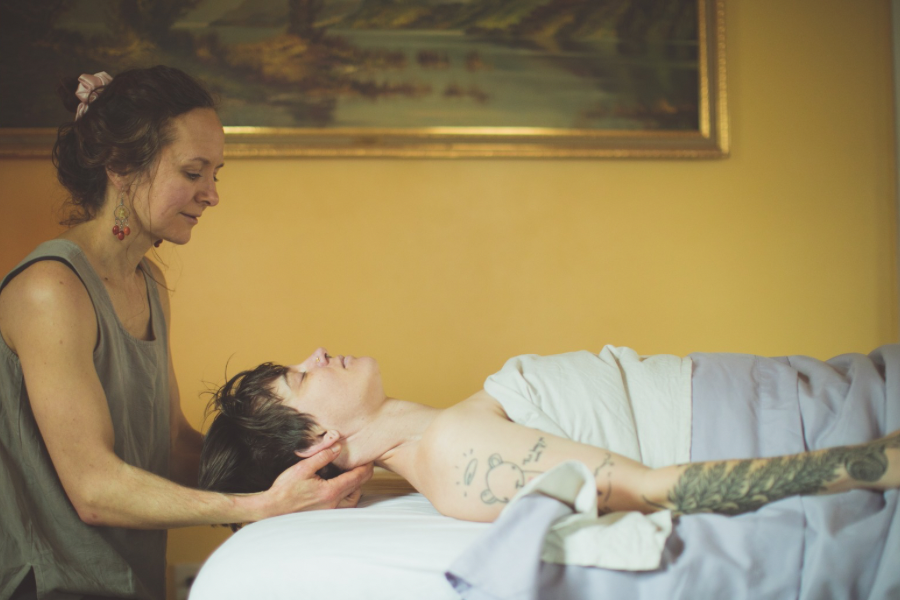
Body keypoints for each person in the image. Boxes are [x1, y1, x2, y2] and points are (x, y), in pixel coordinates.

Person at [0, 67, 371, 600]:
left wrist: (309, 475)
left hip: (130, 581)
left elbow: (172, 444)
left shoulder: (148, 280)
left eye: (216, 173)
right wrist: (258, 507)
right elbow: (94, 490)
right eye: (194, 172)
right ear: (120, 167)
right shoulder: (50, 290)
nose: (212, 194)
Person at [199, 346, 900, 526]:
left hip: (790, 397)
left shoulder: (448, 433)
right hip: (784, 427)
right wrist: (877, 464)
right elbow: (657, 490)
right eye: (301, 375)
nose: (319, 354)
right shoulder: (456, 455)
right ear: (313, 443)